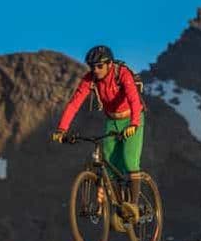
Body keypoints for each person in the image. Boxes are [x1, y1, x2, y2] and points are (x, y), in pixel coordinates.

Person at [51, 45, 145, 214]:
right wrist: (62, 129)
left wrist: (134, 124)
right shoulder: (90, 80)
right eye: (92, 66)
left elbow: (133, 99)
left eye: (99, 66)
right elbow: (74, 104)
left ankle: (134, 206)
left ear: (109, 64)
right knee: (109, 165)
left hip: (132, 117)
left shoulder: (122, 73)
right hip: (112, 120)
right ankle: (117, 207)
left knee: (129, 160)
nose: (95, 70)